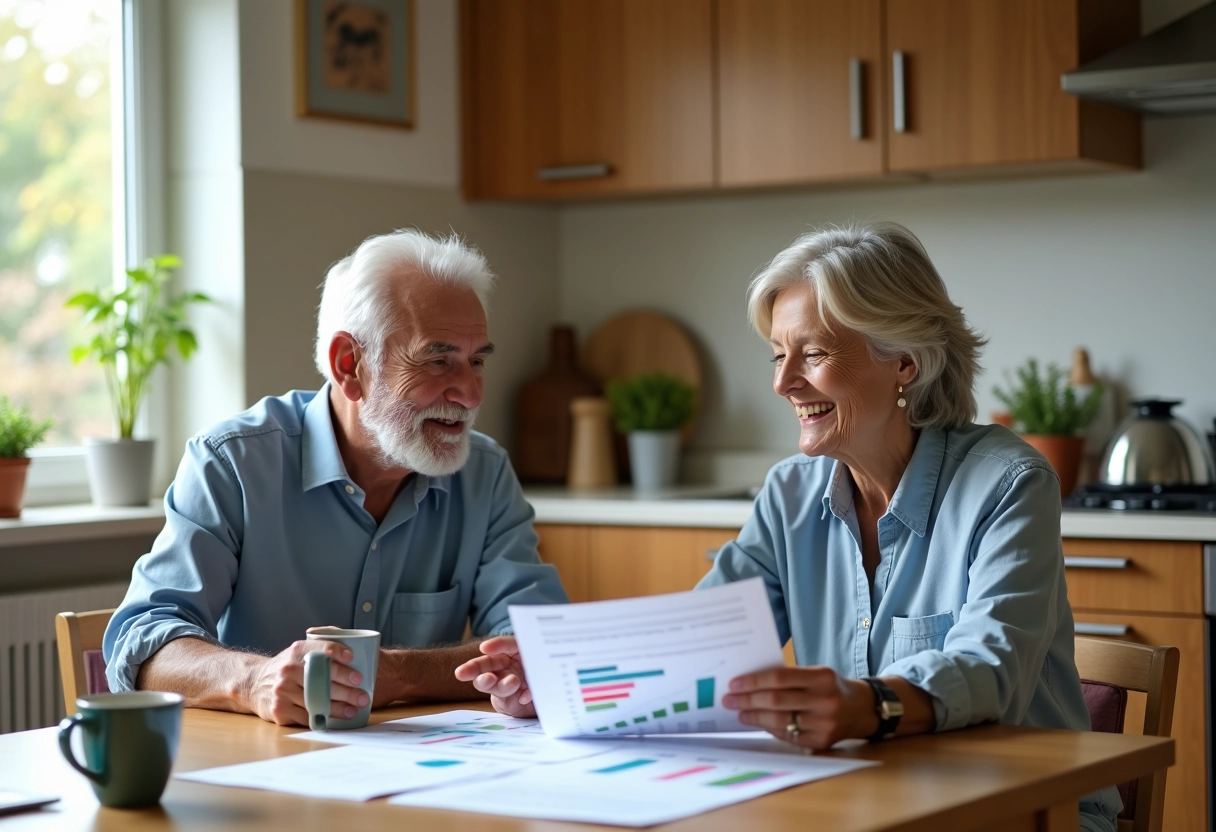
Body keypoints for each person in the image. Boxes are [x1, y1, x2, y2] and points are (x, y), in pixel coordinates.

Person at [457, 221, 1119, 832]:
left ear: (905, 363)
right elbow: (698, 647)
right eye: (778, 355)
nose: (785, 383)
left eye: (814, 352)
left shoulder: (1006, 482)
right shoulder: (789, 494)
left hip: (1028, 809)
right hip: (876, 799)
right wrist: (564, 683)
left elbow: (990, 666)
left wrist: (868, 705)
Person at [103, 229, 566, 726]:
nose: (471, 395)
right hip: (256, 772)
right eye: (438, 360)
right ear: (350, 365)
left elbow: (542, 643)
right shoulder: (233, 463)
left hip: (426, 771)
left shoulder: (485, 473)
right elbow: (143, 645)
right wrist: (252, 681)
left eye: (476, 362)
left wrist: (410, 674)